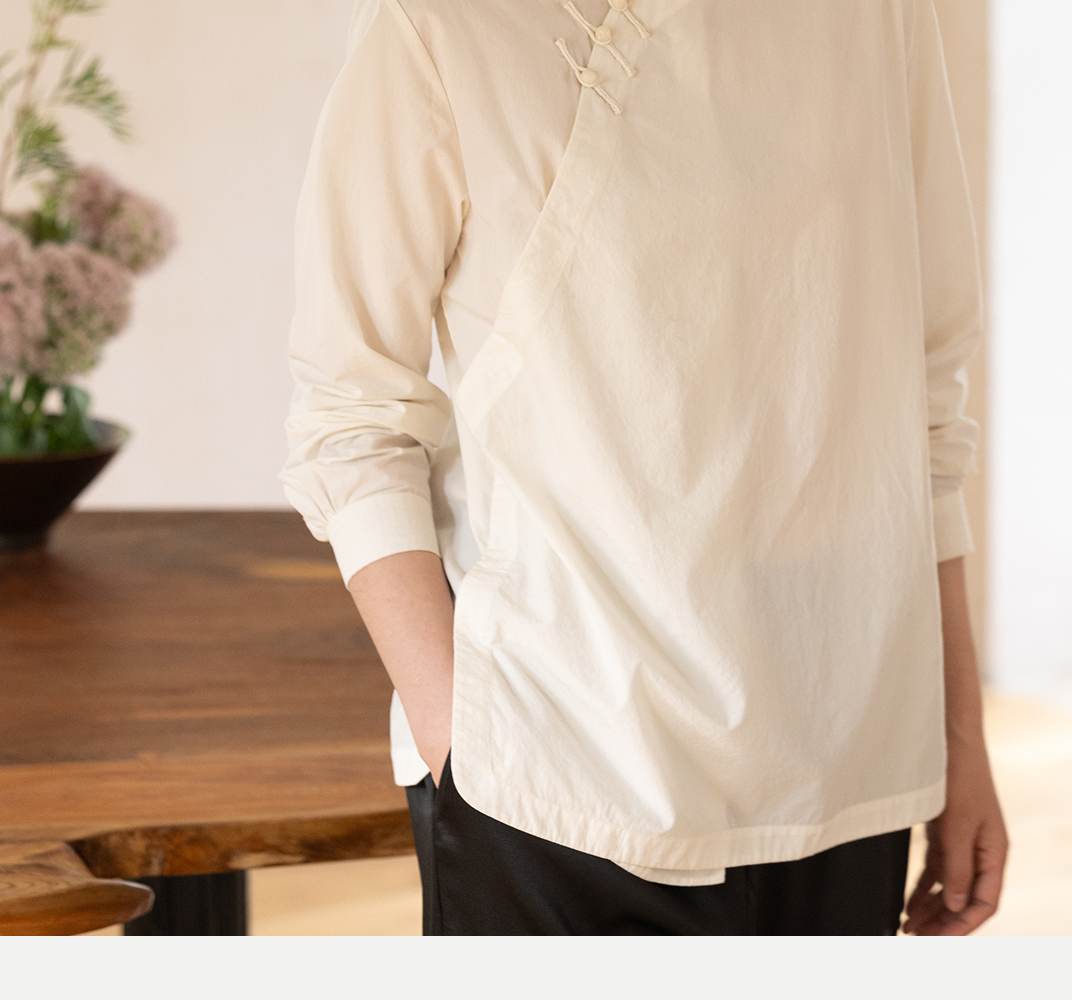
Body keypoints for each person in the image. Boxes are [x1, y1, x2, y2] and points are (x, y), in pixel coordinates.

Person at [279, 0, 1008, 935]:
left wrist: (956, 737)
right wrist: (453, 736)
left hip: (846, 753)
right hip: (552, 764)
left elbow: (921, 402)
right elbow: (351, 409)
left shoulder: (878, 14)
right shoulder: (437, 24)